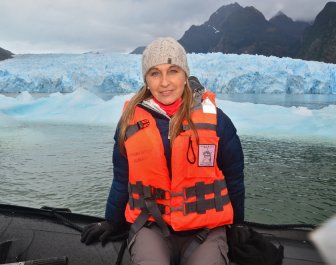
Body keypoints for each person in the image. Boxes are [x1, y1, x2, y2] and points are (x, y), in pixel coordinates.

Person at [81, 37, 245, 265]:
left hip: (206, 230)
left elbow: (234, 178)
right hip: (150, 226)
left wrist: (238, 225)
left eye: (173, 71)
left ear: (185, 74)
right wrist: (111, 221)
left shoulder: (218, 121)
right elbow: (121, 180)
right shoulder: (129, 124)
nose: (165, 82)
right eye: (155, 73)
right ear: (146, 80)